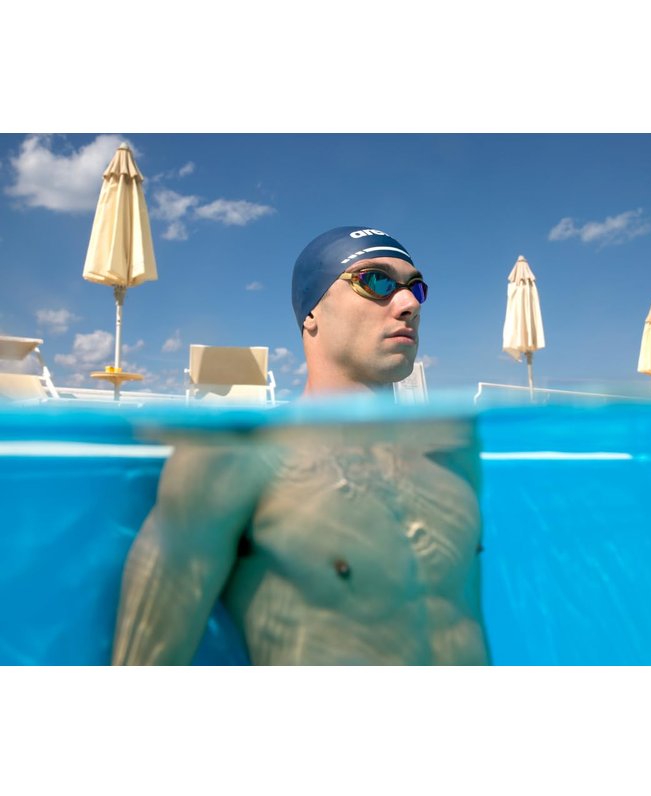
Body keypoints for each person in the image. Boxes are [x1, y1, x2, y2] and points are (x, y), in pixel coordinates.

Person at [112, 226, 490, 665]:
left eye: (416, 287)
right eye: (376, 281)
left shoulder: (451, 451)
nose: (409, 304)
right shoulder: (232, 457)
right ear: (311, 313)